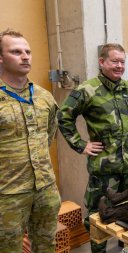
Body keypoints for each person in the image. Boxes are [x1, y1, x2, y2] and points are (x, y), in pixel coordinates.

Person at [58, 43, 128, 253]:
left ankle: (126, 248)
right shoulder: (88, 90)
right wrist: (81, 144)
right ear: (102, 62)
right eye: (114, 61)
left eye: (122, 62)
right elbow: (64, 116)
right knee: (99, 215)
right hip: (104, 170)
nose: (119, 66)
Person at [0, 29, 61, 252]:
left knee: (46, 245)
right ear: (1, 57)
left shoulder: (44, 97)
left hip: (45, 188)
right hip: (7, 194)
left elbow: (49, 135)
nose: (25, 56)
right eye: (16, 52)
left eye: (28, 51)